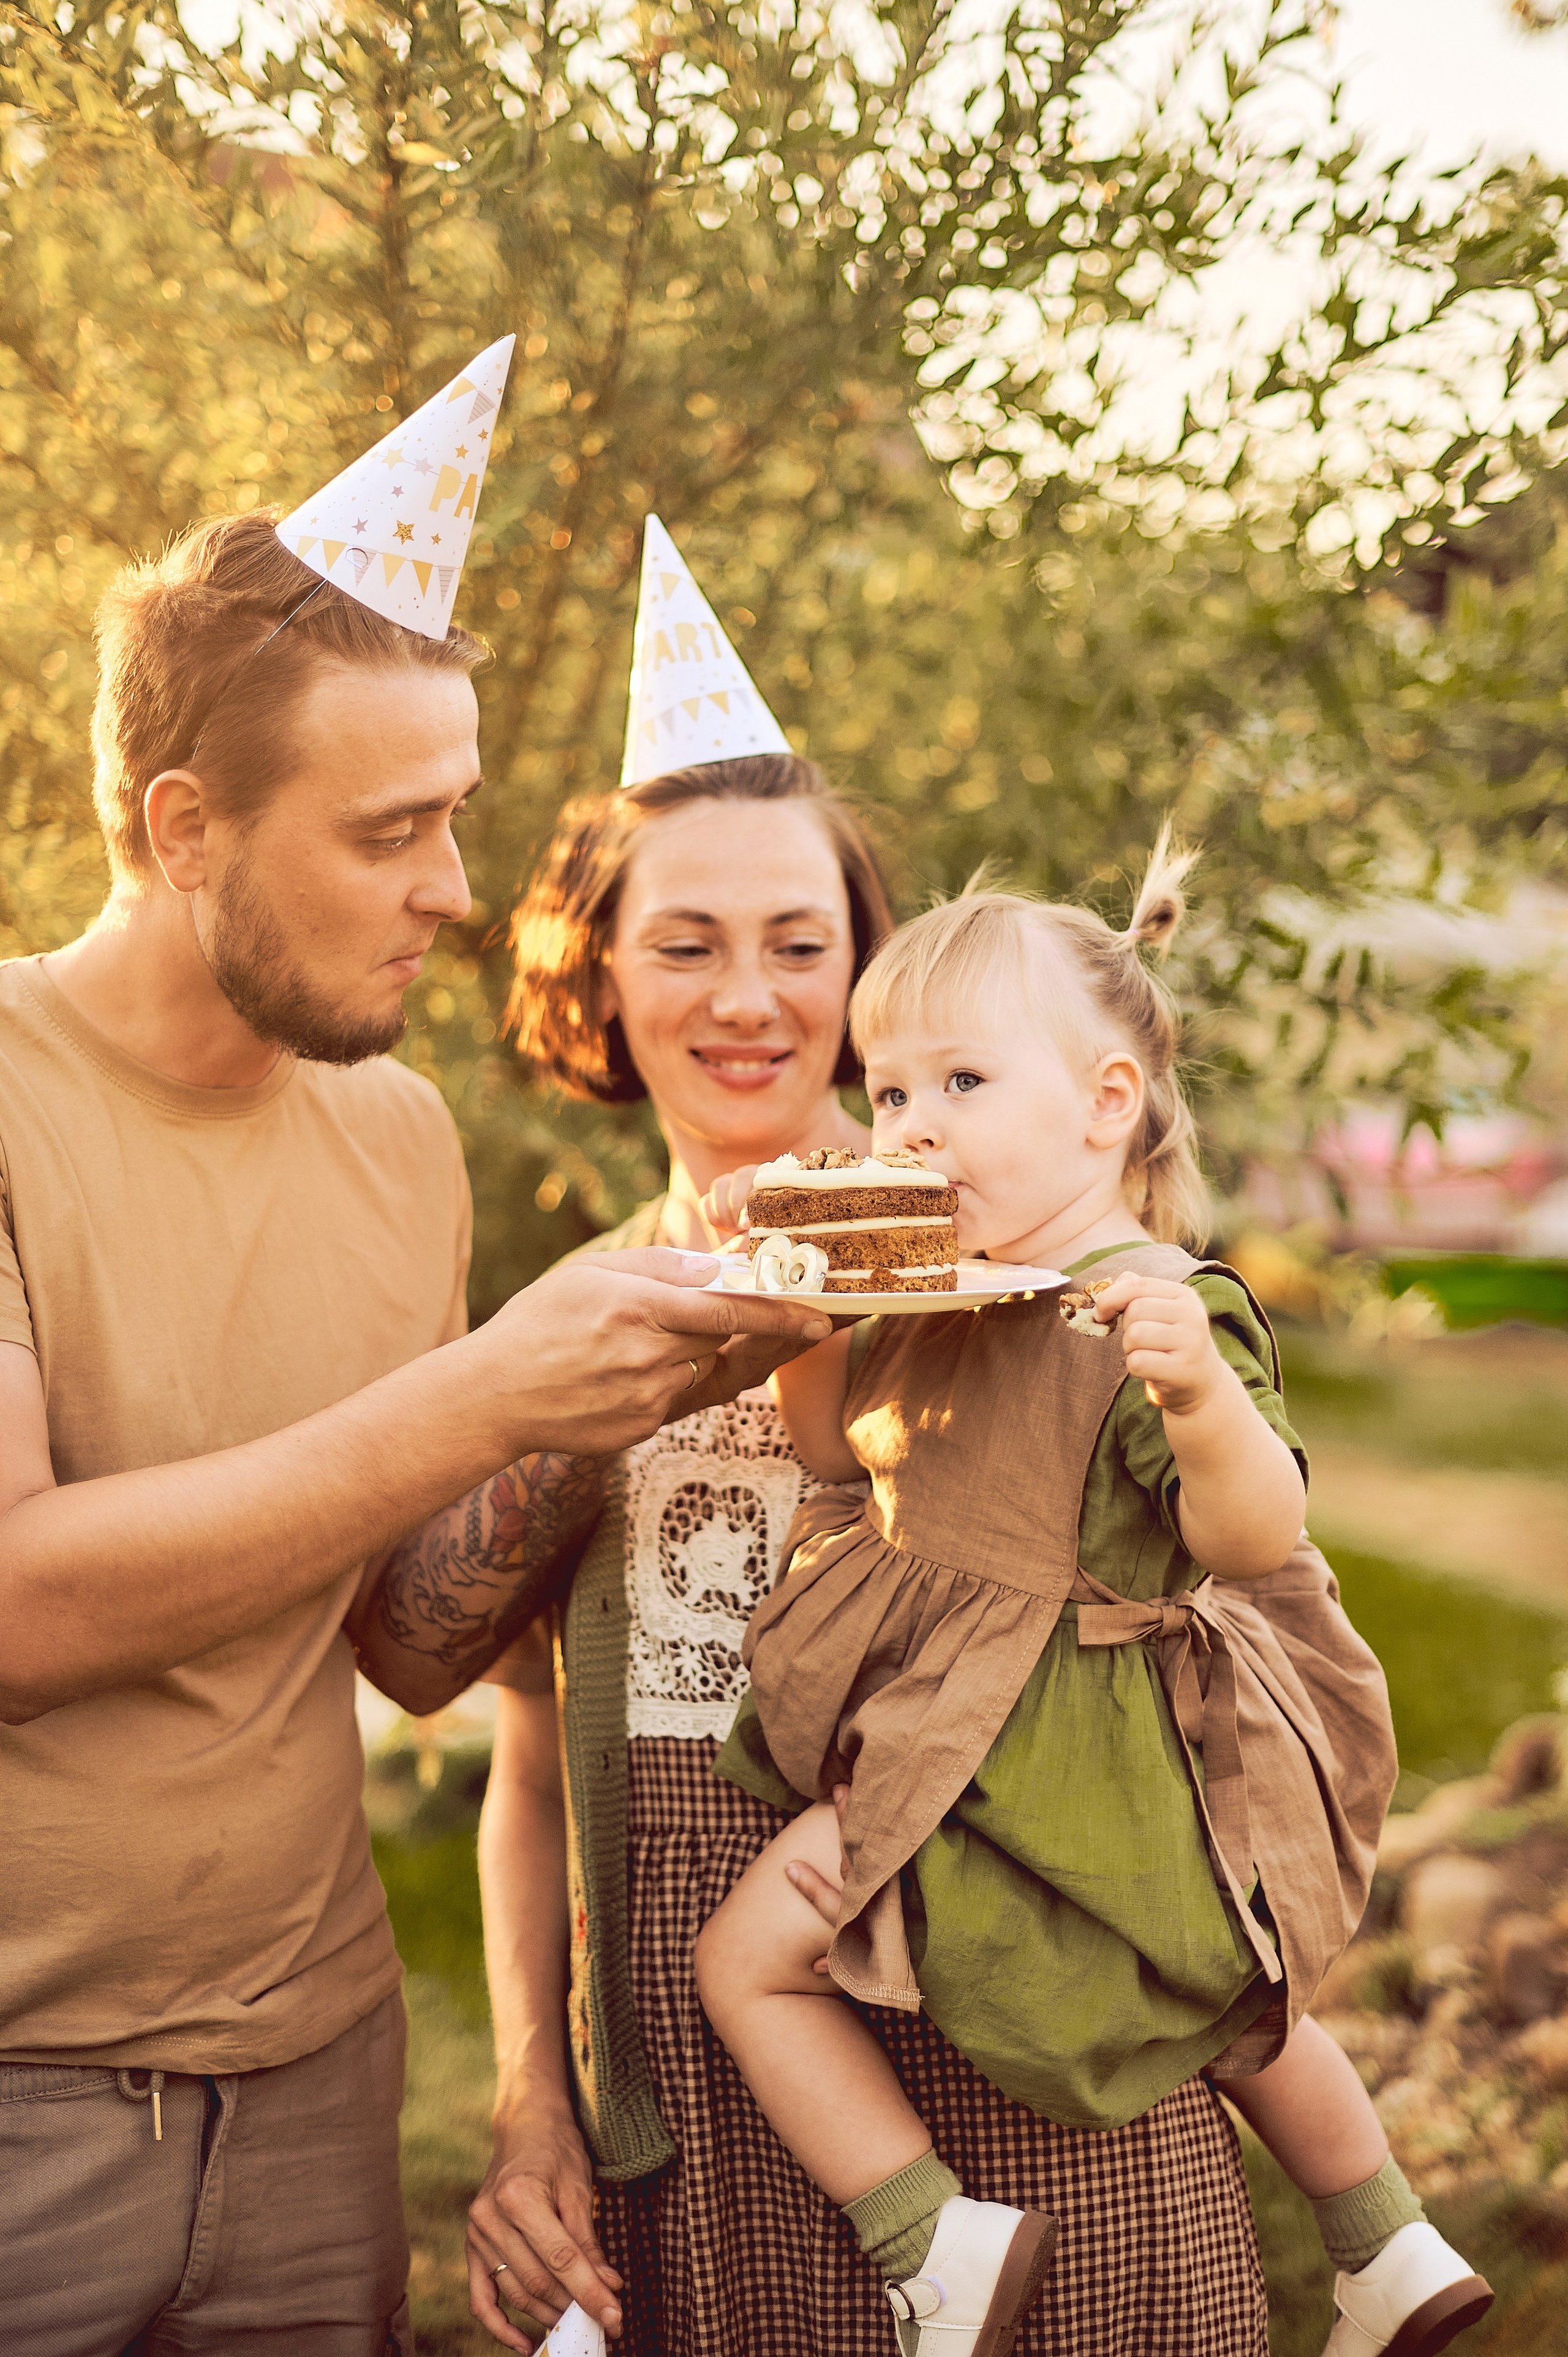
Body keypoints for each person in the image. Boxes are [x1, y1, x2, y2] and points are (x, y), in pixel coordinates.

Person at [0, 511, 832, 2357]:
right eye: (390, 832)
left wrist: (616, 1414)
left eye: (450, 815)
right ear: (183, 828)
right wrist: (489, 1393)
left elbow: (398, 1636)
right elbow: (20, 1618)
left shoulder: (398, 1145)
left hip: (317, 2081)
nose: (453, 888)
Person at [467, 772, 1280, 2357]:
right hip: (709, 2104)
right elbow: (525, 1757)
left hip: (1036, 2057)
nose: (749, 997)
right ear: (600, 971)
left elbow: (1210, 1639)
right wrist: (529, 2099)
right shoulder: (571, 1324)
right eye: (687, 944)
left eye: (799, 942)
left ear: (866, 973)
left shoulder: (1031, 1271)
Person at [693, 850, 1493, 2357]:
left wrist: (1193, 1391)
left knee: (749, 1956)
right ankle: (1383, 2241)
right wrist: (803, 1305)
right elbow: (825, 1453)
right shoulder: (944, 1293)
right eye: (886, 1093)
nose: (911, 1124)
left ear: (1104, 1104)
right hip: (987, 1741)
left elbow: (1250, 1533)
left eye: (961, 1082)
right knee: (1214, 1995)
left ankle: (930, 2243)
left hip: (1059, 1748)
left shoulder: (1140, 1300)